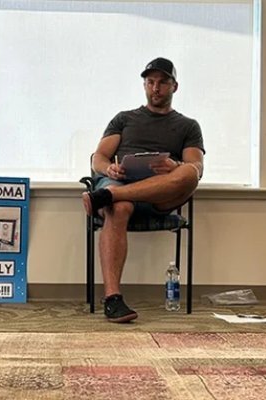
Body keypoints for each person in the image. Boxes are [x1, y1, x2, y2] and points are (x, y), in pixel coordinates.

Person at [82, 57, 204, 323]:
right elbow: (99, 157)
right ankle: (113, 299)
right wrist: (108, 170)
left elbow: (196, 166)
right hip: (120, 184)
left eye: (162, 82)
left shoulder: (188, 126)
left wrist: (174, 165)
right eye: (150, 82)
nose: (155, 88)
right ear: (145, 85)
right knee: (120, 206)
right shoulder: (124, 119)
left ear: (175, 86)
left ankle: (108, 196)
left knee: (190, 172)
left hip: (160, 194)